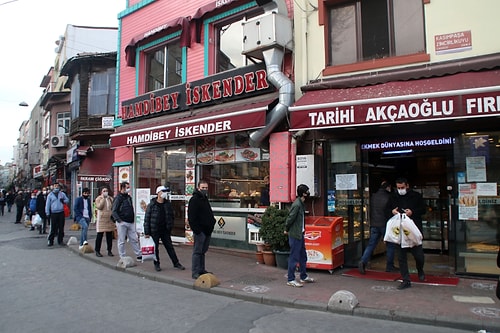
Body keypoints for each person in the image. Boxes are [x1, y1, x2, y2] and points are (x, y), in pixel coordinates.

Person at [388, 177, 426, 290]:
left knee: (418, 255)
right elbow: (387, 209)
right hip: (399, 230)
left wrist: (412, 212)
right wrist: (392, 211)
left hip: (413, 229)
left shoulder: (416, 196)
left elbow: (423, 210)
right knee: (401, 257)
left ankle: (420, 270)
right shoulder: (393, 197)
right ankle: (406, 280)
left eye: (402, 187)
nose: (400, 190)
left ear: (407, 186)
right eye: (398, 188)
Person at [358, 181, 397, 274]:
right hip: (385, 224)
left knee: (371, 245)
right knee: (390, 245)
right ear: (388, 187)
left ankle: (363, 261)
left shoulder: (373, 197)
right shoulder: (389, 197)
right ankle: (389, 266)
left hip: (374, 224)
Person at [144, 185, 185, 272]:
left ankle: (176, 263)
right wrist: (147, 232)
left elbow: (171, 216)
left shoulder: (167, 204)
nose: (165, 194)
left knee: (169, 247)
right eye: (163, 191)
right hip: (154, 229)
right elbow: (147, 218)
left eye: (166, 192)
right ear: (158, 193)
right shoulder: (152, 204)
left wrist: (170, 226)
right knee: (155, 248)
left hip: (165, 230)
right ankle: (157, 264)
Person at [284, 184, 315, 287]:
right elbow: (290, 218)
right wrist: (286, 229)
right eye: (307, 191)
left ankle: (303, 276)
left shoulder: (301, 203)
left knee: (303, 256)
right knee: (294, 257)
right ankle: (291, 279)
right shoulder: (297, 205)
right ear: (303, 193)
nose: (309, 193)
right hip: (295, 234)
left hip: (300, 233)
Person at [188, 180, 216, 279]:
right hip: (200, 231)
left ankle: (201, 269)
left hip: (207, 230)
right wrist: (197, 230)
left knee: (203, 252)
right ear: (198, 188)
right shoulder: (194, 200)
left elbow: (209, 213)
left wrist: (212, 223)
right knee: (197, 252)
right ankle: (195, 271)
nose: (204, 190)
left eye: (206, 188)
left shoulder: (205, 199)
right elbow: (192, 217)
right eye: (203, 188)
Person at [111, 181, 142, 261]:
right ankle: (122, 256)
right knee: (121, 240)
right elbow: (114, 210)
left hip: (130, 221)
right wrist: (119, 220)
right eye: (127, 187)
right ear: (123, 188)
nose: (128, 189)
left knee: (134, 239)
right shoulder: (118, 198)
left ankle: (138, 254)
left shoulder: (128, 197)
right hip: (122, 221)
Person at [94, 186, 115, 257]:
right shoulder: (98, 198)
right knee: (99, 235)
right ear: (101, 192)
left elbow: (113, 206)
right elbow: (99, 206)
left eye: (106, 190)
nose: (105, 192)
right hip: (102, 219)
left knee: (109, 236)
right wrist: (103, 198)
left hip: (109, 219)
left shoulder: (110, 198)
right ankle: (97, 250)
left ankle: (109, 250)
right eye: (104, 191)